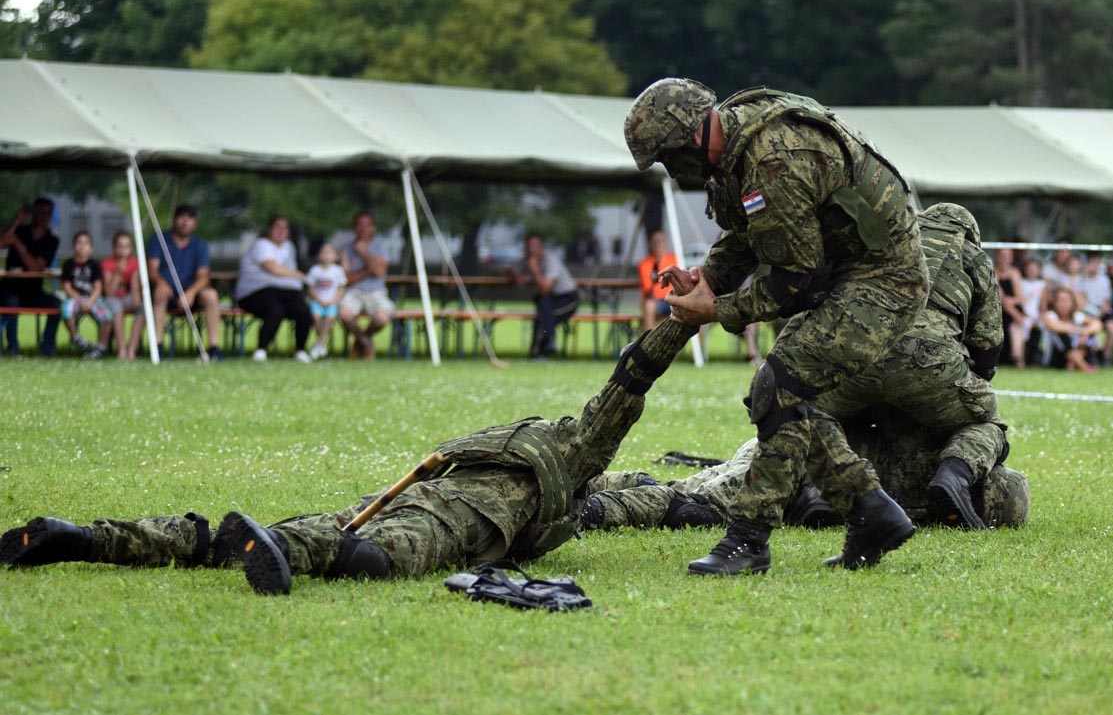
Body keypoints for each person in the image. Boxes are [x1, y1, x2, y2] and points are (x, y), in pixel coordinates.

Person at [0, 318, 699, 596]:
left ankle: (89, 537)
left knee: (241, 538)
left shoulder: (546, 460)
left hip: (421, 495)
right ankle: (277, 546)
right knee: (369, 556)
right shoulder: (572, 456)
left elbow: (637, 487)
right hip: (458, 520)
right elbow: (625, 391)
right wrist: (676, 323)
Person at [624, 78, 928, 575]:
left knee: (778, 385)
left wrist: (716, 311)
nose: (671, 171)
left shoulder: (774, 159)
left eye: (666, 157)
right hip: (847, 271)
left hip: (886, 278)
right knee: (786, 394)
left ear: (689, 138)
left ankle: (748, 540)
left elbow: (795, 280)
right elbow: (744, 236)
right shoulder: (733, 155)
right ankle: (871, 511)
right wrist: (706, 277)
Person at [582, 407, 1029, 533]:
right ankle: (593, 509)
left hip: (792, 447)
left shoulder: (942, 441)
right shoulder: (936, 453)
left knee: (694, 491)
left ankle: (597, 486)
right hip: (798, 455)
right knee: (700, 507)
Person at [145, 204, 223, 359]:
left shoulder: (200, 245)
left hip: (190, 293)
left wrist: (191, 293)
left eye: (190, 218)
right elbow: (152, 269)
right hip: (166, 292)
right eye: (182, 217)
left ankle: (214, 347)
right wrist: (161, 282)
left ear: (195, 223)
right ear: (174, 219)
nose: (185, 221)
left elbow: (203, 276)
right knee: (159, 293)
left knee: (211, 295)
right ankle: (158, 346)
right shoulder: (159, 239)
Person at [234, 215, 313, 363]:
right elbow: (272, 268)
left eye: (285, 228)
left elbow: (288, 272)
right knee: (275, 309)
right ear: (269, 229)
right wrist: (299, 275)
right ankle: (261, 350)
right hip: (255, 292)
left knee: (302, 309)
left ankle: (300, 350)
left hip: (284, 291)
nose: (281, 231)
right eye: (277, 227)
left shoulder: (289, 247)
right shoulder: (261, 245)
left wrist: (298, 279)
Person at [0, 198, 61, 356]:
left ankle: (47, 346)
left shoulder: (51, 240)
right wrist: (18, 220)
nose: (44, 216)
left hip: (34, 291)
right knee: (11, 303)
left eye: (48, 213)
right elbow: (1, 242)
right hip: (9, 289)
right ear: (33, 213)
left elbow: (36, 267)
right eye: (40, 212)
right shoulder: (20, 231)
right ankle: (12, 347)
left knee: (56, 304)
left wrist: (18, 245)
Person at [507, 232, 579, 359]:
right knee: (543, 307)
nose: (531, 250)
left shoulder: (551, 261)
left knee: (544, 313)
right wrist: (517, 277)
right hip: (548, 301)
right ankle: (544, 347)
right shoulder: (526, 260)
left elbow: (545, 288)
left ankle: (543, 347)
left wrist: (534, 269)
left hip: (567, 299)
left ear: (542, 248)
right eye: (528, 247)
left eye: (535, 246)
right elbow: (509, 271)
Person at [335, 211, 393, 361]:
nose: (363, 228)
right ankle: (366, 342)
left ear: (373, 228)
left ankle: (360, 340)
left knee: (381, 318)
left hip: (376, 292)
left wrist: (363, 252)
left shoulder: (380, 245)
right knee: (344, 314)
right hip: (353, 292)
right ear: (353, 227)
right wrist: (367, 271)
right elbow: (346, 279)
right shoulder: (346, 248)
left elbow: (380, 271)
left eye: (367, 225)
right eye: (359, 225)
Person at [59, 231, 113, 359]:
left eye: (86, 243)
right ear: (73, 246)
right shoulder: (68, 265)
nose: (82, 246)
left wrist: (89, 302)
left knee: (107, 316)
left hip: (92, 298)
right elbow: (67, 287)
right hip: (75, 297)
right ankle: (76, 338)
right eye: (79, 243)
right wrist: (81, 301)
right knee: (66, 310)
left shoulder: (95, 265)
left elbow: (98, 287)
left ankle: (100, 347)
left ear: (91, 248)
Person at [101, 230, 145, 360]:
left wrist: (137, 298)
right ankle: (121, 349)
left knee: (144, 309)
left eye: (126, 246)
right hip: (112, 298)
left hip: (127, 297)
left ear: (131, 248)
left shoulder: (134, 263)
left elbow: (135, 286)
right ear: (114, 247)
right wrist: (118, 273)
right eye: (120, 246)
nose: (123, 250)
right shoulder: (108, 263)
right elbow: (109, 292)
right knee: (116, 307)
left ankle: (132, 348)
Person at [1040, 286, 1102, 371]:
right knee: (1060, 334)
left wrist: (1084, 333)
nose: (1064, 304)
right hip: (1056, 357)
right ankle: (1084, 366)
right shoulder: (1050, 315)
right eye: (1061, 300)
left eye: (1067, 300)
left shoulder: (1076, 316)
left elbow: (1097, 324)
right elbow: (1054, 326)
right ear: (1055, 303)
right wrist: (1077, 331)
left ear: (1072, 303)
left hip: (1077, 351)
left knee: (1090, 336)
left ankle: (1074, 362)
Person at [304, 241, 347, 360]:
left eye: (329, 252)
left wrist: (334, 300)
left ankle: (319, 343)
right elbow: (310, 287)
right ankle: (321, 343)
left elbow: (341, 288)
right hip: (317, 302)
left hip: (332, 302)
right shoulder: (314, 270)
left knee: (330, 318)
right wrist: (319, 299)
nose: (326, 255)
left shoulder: (338, 271)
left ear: (335, 256)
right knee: (316, 317)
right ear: (318, 255)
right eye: (323, 252)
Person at [637, 229, 677, 332]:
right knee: (649, 305)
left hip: (674, 300)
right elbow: (648, 291)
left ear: (666, 243)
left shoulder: (674, 260)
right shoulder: (645, 264)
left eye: (661, 241)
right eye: (656, 241)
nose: (659, 244)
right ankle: (649, 344)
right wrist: (654, 280)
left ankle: (699, 347)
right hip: (657, 302)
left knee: (697, 307)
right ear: (651, 244)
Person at [994, 247, 1027, 367]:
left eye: (1008, 256)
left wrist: (1011, 302)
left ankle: (1018, 358)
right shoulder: (992, 272)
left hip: (1013, 309)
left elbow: (1020, 297)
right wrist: (1016, 314)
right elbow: (1001, 299)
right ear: (997, 256)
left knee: (1016, 326)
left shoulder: (1014, 273)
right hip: (998, 310)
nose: (1005, 259)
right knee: (1016, 322)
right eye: (1002, 255)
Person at [1020, 257, 1047, 366]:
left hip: (1037, 315)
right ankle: (1022, 358)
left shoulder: (1042, 284)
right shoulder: (1021, 283)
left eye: (1034, 269)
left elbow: (1043, 305)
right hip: (1025, 314)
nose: (1032, 272)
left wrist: (1040, 316)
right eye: (1030, 269)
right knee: (1024, 327)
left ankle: (1042, 357)